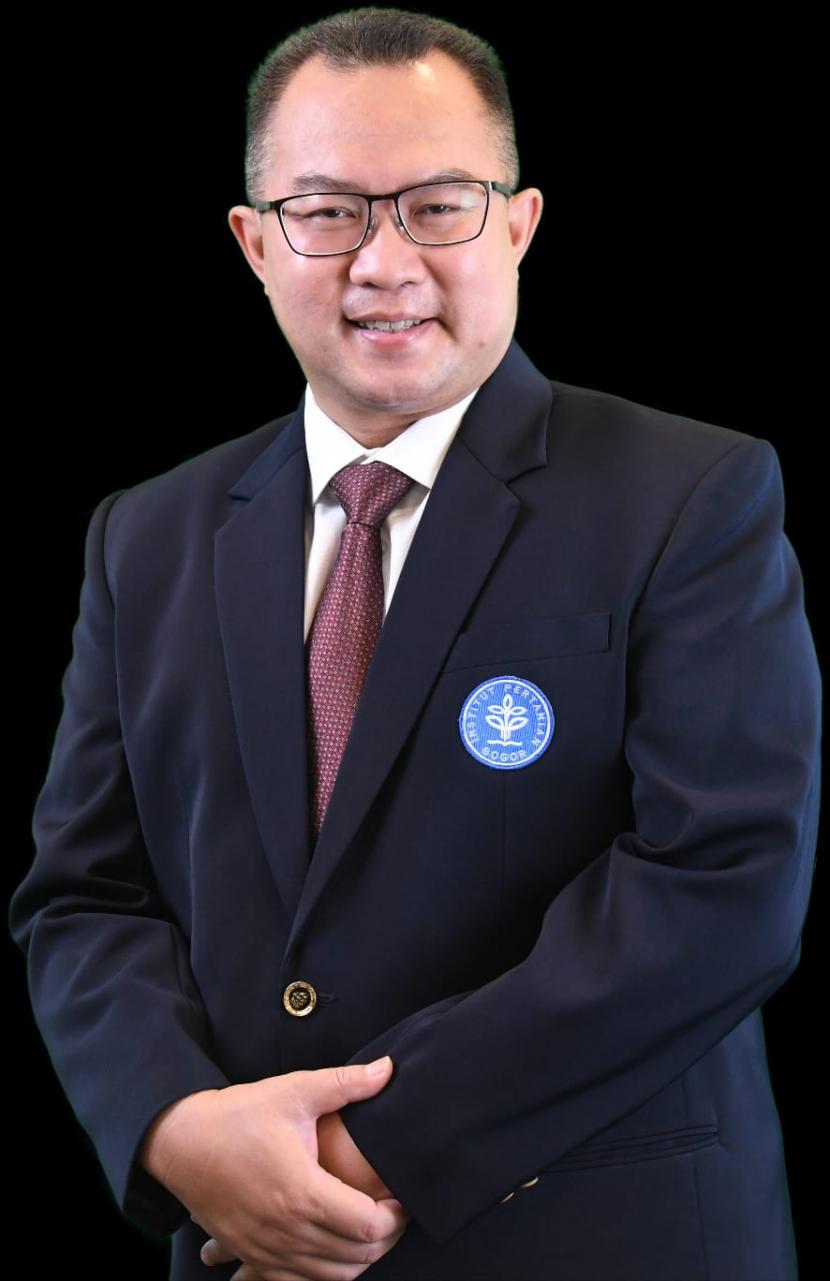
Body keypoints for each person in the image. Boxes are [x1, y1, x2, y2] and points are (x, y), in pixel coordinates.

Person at [9, 7, 820, 1281]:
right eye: (327, 212)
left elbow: (722, 884)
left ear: (518, 225)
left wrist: (363, 1147)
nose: (382, 265)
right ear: (254, 242)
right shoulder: (147, 536)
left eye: (437, 208)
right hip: (243, 1247)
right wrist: (172, 1125)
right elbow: (83, 895)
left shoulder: (688, 496)